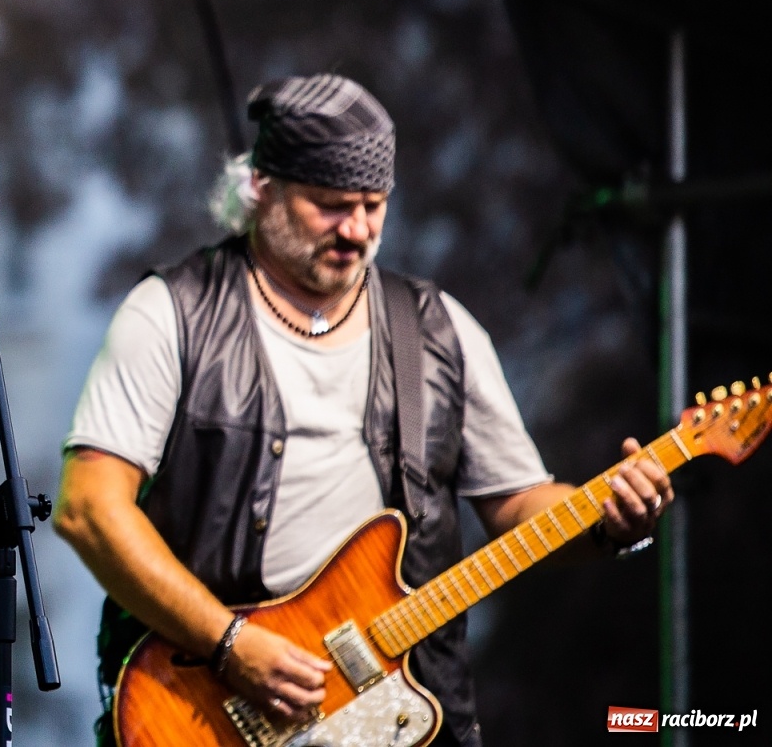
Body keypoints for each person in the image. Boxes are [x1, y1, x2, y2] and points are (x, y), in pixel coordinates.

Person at [53, 74, 671, 747]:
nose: (357, 229)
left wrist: (607, 519)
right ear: (261, 188)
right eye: (330, 205)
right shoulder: (172, 313)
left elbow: (516, 503)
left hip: (405, 718)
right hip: (208, 707)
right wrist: (230, 643)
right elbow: (89, 509)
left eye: (374, 206)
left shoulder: (440, 331)